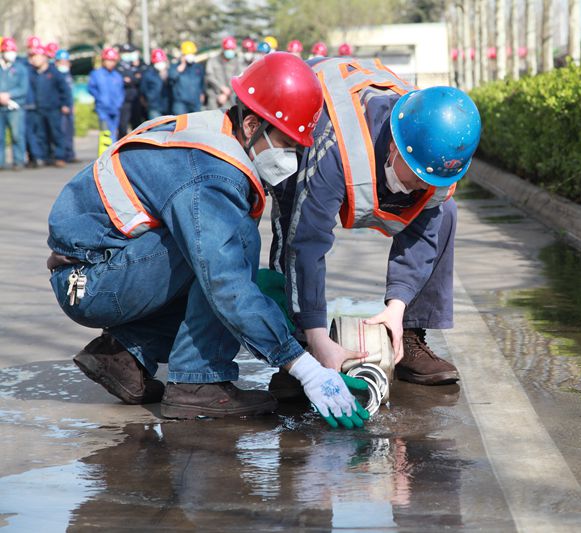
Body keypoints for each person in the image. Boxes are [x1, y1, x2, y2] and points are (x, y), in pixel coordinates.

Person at [46, 53, 369, 429]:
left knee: (242, 273)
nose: (292, 159)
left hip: (99, 272)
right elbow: (223, 281)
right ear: (251, 125)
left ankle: (124, 354)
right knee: (234, 249)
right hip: (90, 283)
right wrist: (304, 367)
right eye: (285, 143)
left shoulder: (215, 136)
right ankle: (197, 383)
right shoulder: (210, 175)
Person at [268, 57, 481, 395]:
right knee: (293, 217)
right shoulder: (334, 149)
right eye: (416, 178)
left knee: (445, 213)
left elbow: (425, 233)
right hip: (316, 129)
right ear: (396, 147)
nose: (419, 189)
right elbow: (306, 244)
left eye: (430, 181)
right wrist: (317, 334)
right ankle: (299, 350)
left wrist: (397, 306)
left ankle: (407, 335)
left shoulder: (434, 157)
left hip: (373, 136)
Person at [26, 44, 70, 167]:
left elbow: (64, 90)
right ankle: (45, 157)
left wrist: (66, 104)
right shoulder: (32, 73)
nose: (35, 59)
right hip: (38, 109)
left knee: (56, 133)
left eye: (37, 56)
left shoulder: (54, 72)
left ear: (45, 57)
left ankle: (60, 157)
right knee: (41, 134)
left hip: (53, 108)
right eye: (33, 56)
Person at [0, 37, 28, 170]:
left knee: (17, 135)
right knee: (0, 137)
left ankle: (18, 161)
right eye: (8, 51)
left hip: (15, 106)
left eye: (13, 51)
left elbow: (23, 88)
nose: (11, 53)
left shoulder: (20, 69)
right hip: (0, 107)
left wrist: (9, 95)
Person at [88, 47, 125, 143]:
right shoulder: (96, 74)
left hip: (115, 109)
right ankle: (104, 155)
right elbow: (91, 88)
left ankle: (112, 155)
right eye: (108, 60)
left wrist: (118, 103)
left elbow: (121, 91)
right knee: (105, 134)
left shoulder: (117, 76)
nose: (110, 63)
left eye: (112, 61)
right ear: (103, 60)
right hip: (103, 110)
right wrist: (100, 99)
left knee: (114, 133)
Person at [116, 43, 145, 139]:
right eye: (125, 52)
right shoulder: (118, 66)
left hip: (136, 99)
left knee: (137, 125)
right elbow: (122, 80)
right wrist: (134, 78)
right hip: (123, 100)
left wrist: (131, 79)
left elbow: (141, 77)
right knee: (122, 126)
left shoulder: (139, 64)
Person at [205, 36, 241, 110]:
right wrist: (221, 88)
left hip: (230, 98)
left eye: (231, 49)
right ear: (223, 49)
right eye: (228, 49)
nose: (230, 51)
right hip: (215, 97)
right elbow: (209, 77)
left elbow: (238, 78)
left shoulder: (236, 62)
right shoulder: (213, 61)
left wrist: (227, 92)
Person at [168, 41, 204, 114]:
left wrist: (202, 93)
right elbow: (171, 77)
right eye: (188, 54)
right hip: (180, 104)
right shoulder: (175, 67)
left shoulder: (198, 67)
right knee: (181, 124)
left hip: (195, 102)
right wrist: (182, 66)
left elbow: (202, 82)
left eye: (192, 54)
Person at [54, 49, 76, 163]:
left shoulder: (67, 74)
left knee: (69, 131)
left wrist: (71, 104)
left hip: (69, 106)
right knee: (61, 132)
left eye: (65, 62)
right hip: (60, 108)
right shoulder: (56, 75)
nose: (64, 64)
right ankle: (62, 155)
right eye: (61, 62)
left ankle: (70, 154)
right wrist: (63, 104)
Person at [140, 48, 170, 120]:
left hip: (167, 105)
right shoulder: (148, 74)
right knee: (157, 128)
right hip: (153, 106)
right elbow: (143, 90)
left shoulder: (169, 73)